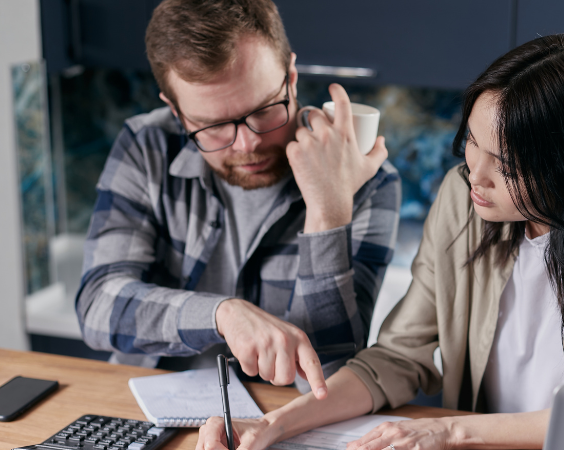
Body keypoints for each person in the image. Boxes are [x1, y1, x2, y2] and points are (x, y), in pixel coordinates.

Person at [196, 31, 564, 450]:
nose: (475, 175)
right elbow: (397, 358)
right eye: (473, 142)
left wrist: (450, 430)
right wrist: (273, 425)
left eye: (506, 166)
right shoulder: (463, 199)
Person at [75, 0, 401, 397]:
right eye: (212, 126)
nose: (248, 144)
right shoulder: (147, 146)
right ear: (176, 112)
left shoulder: (366, 178)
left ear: (291, 78)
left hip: (285, 418)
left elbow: (330, 378)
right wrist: (222, 315)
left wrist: (327, 214)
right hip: (148, 404)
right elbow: (97, 307)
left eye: (264, 110)